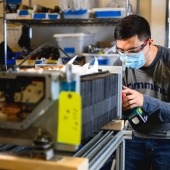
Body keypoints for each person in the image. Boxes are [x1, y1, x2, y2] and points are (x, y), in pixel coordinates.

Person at [113, 14, 170, 170]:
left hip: (166, 138)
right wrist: (122, 106)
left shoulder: (168, 62)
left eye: (132, 50)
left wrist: (145, 102)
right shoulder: (120, 64)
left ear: (149, 43)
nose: (126, 57)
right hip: (133, 136)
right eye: (121, 50)